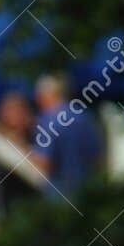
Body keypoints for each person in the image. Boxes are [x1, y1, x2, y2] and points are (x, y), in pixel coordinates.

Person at [32, 73, 103, 201]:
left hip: (59, 192)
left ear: (46, 95)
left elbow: (44, 162)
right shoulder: (84, 116)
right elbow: (96, 155)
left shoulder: (48, 120)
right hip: (86, 189)